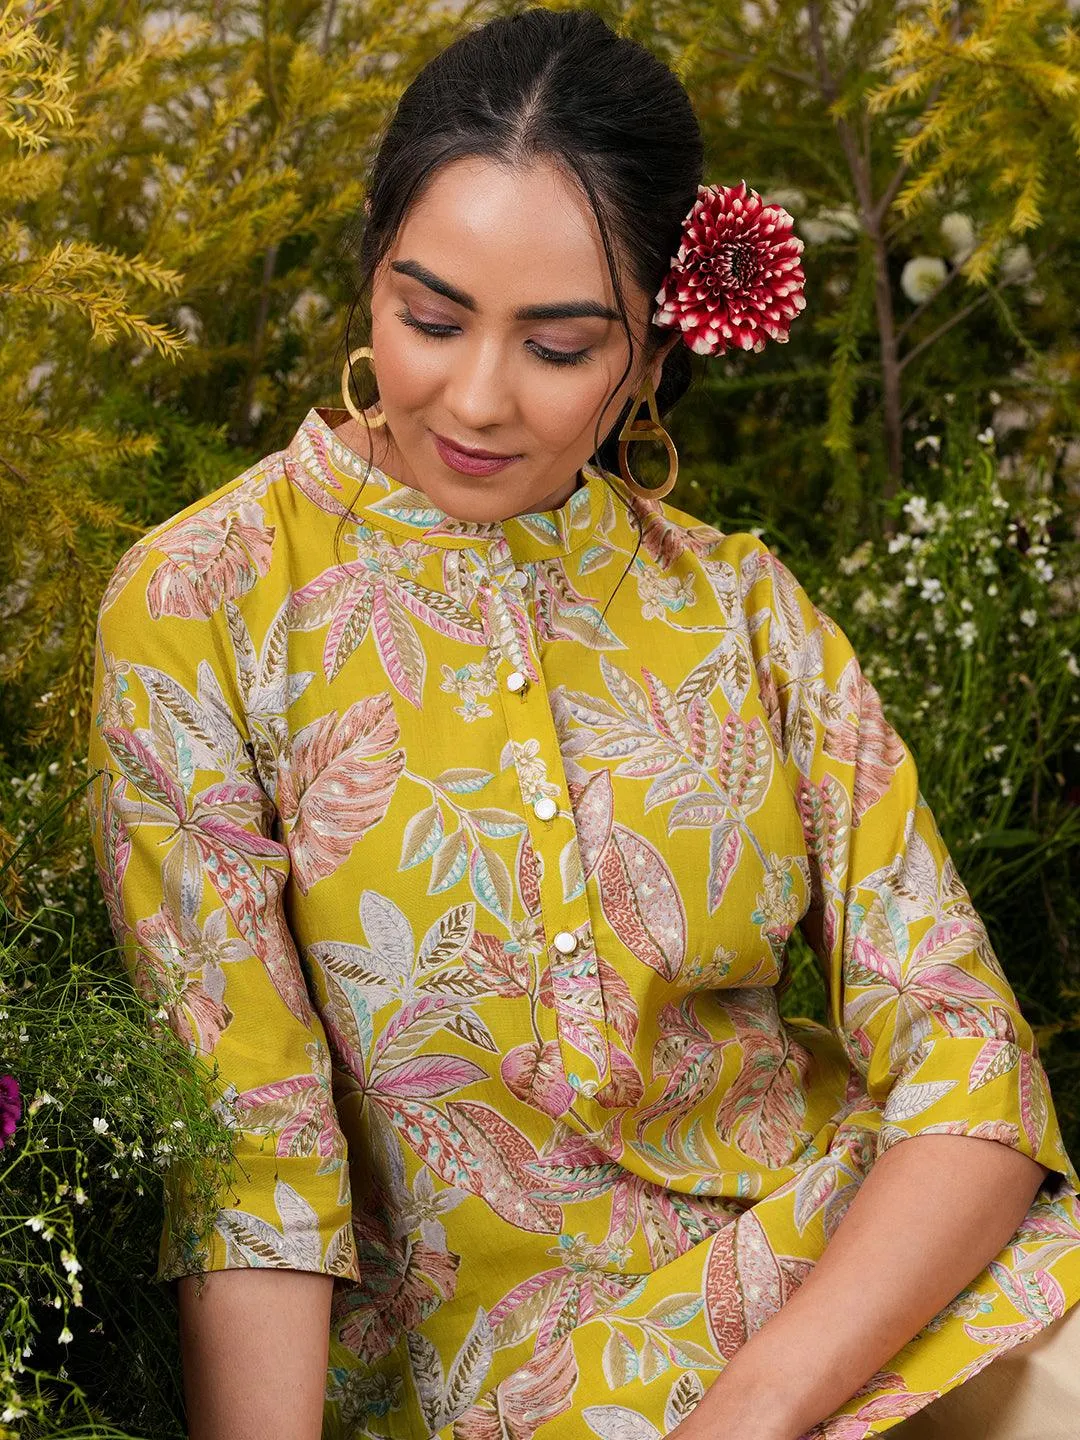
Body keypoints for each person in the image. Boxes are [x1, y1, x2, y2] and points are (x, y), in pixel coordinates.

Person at [84, 9, 1080, 1440]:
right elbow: (252, 1149)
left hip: (841, 1307)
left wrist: (751, 1414)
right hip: (492, 1392)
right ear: (371, 271)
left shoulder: (743, 609)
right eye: (430, 319)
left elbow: (971, 1067)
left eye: (557, 347)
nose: (476, 397)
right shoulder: (202, 602)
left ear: (652, 354)